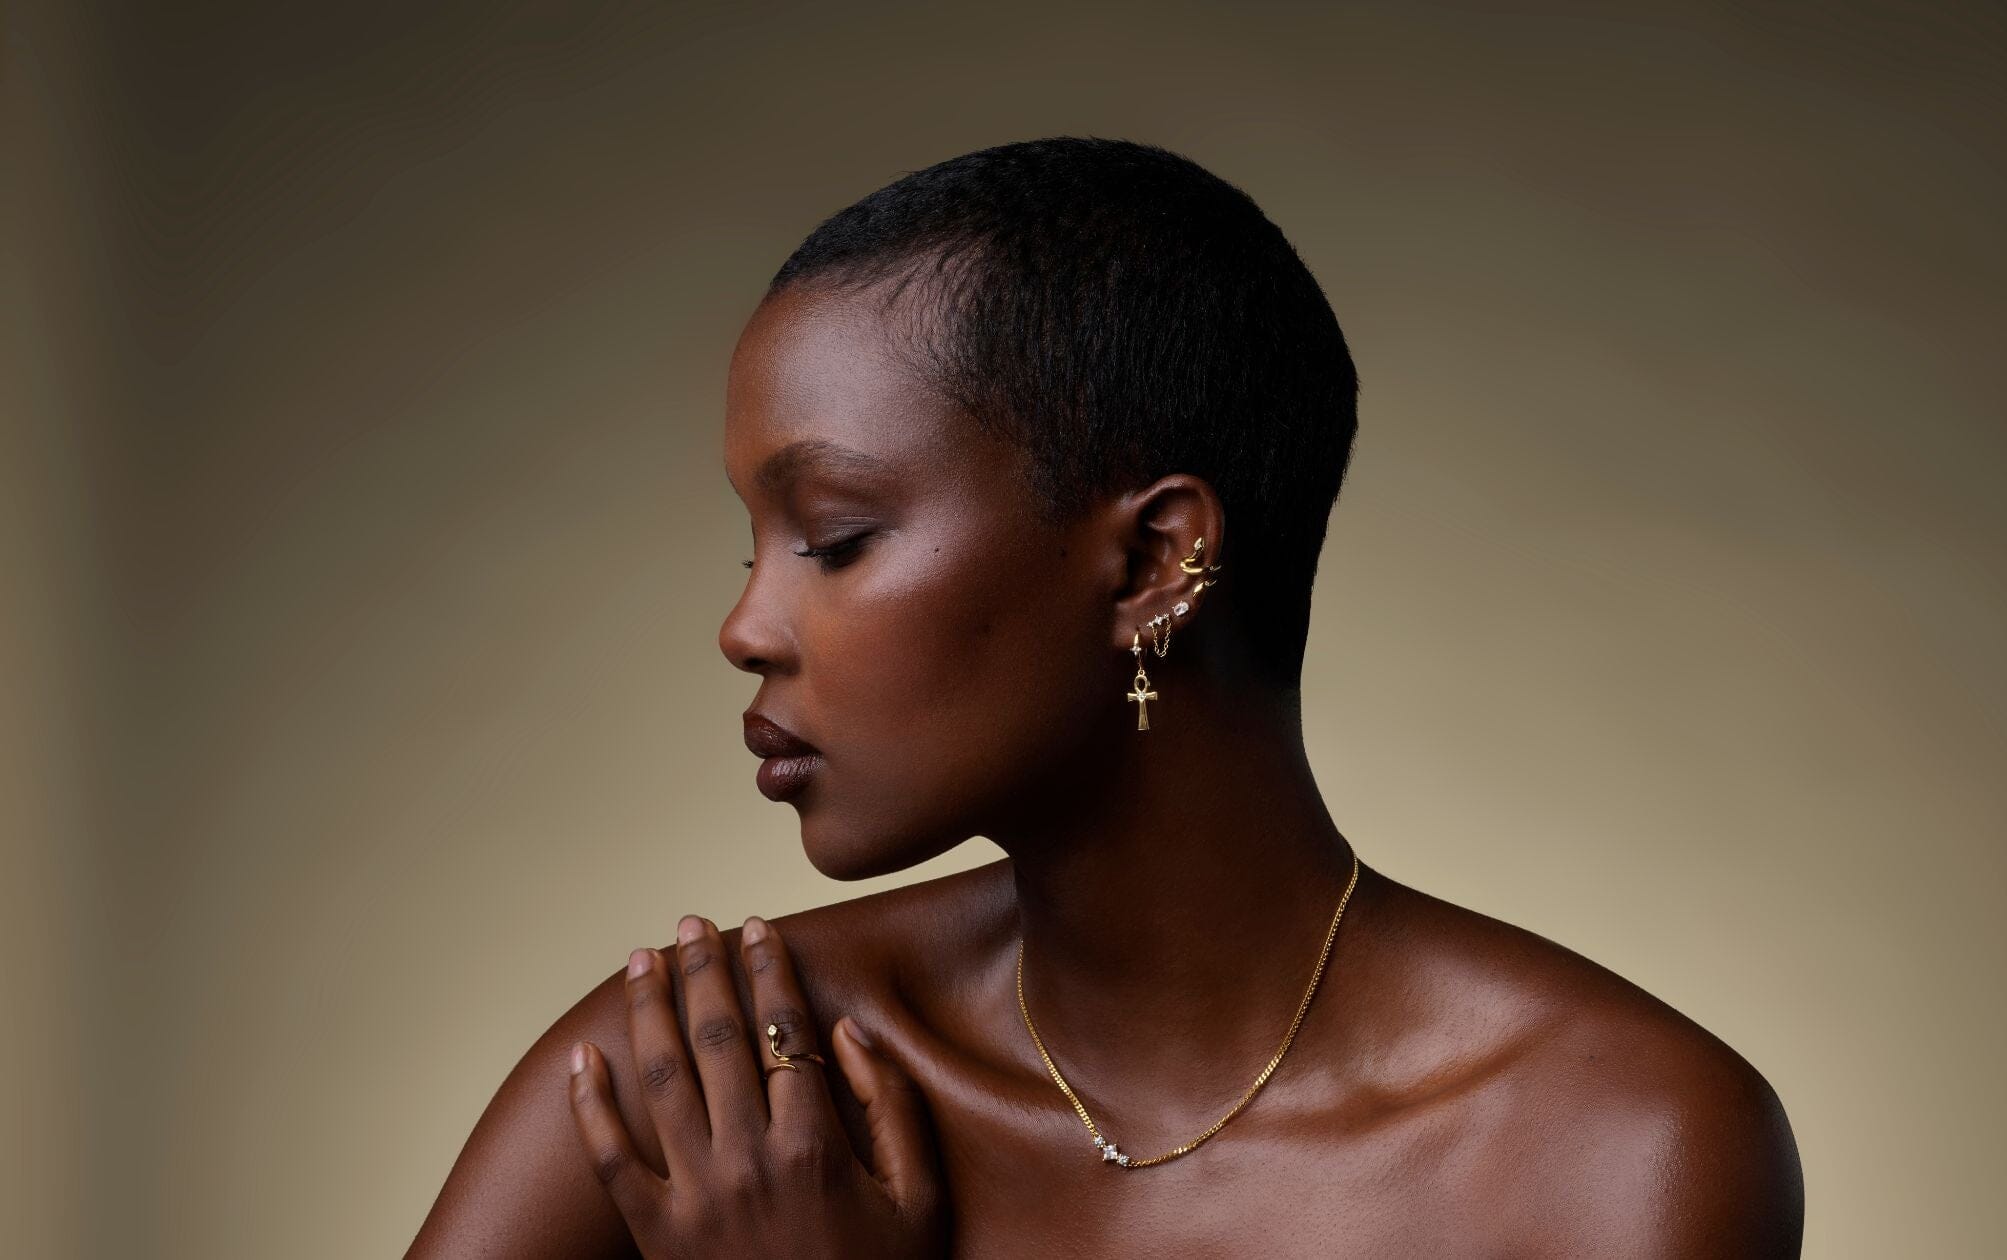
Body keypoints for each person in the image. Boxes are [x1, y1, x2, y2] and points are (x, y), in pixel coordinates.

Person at [405, 136, 1804, 1257]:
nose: (745, 625)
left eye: (832, 539)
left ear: (1152, 561)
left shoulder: (1613, 1145)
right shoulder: (724, 1092)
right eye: (751, 546)